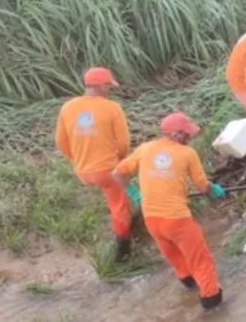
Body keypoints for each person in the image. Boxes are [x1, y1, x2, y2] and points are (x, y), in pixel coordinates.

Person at [111, 112, 226, 310]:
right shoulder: (188, 154)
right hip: (177, 219)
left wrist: (134, 194)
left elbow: (116, 173)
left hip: (152, 220)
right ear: (175, 135)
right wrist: (213, 190)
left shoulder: (144, 149)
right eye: (187, 134)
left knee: (174, 256)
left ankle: (189, 284)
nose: (190, 138)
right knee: (201, 260)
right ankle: (212, 302)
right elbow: (202, 186)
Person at [55, 67, 133, 260]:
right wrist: (122, 162)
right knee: (119, 207)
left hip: (82, 171)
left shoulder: (68, 107)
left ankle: (128, 225)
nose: (110, 89)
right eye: (108, 85)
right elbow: (124, 143)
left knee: (112, 194)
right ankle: (123, 250)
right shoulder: (112, 108)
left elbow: (60, 142)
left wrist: (78, 158)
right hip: (107, 171)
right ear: (100, 85)